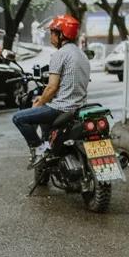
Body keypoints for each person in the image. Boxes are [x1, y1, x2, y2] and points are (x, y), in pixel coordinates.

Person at [11, 14, 89, 165]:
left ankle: (40, 150)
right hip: (79, 107)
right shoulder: (82, 55)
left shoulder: (59, 55)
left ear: (61, 34)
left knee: (18, 118)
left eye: (52, 33)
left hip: (61, 108)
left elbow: (52, 87)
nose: (50, 37)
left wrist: (39, 103)